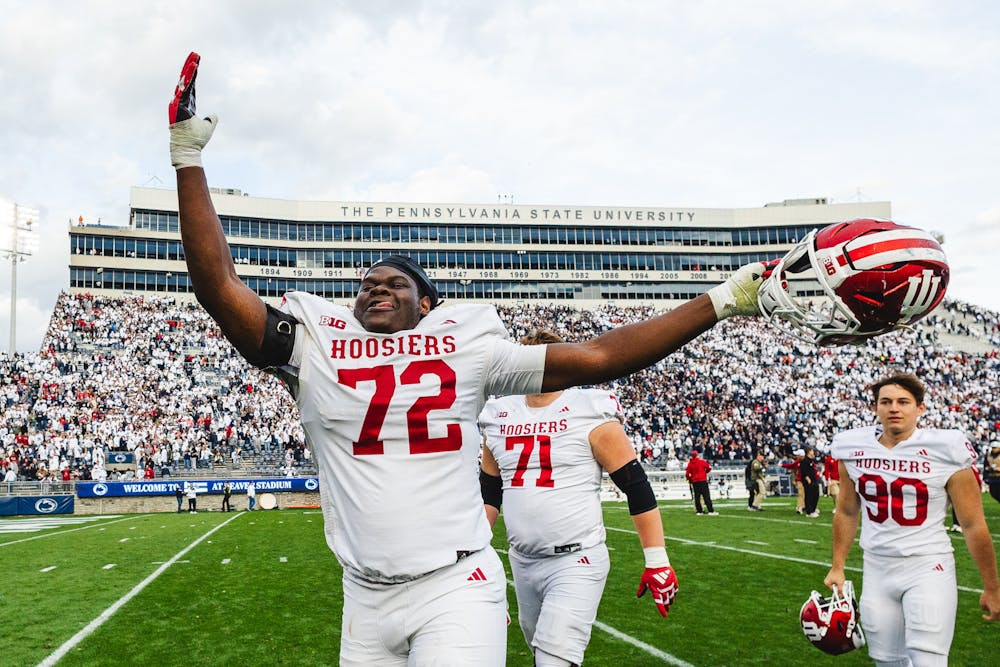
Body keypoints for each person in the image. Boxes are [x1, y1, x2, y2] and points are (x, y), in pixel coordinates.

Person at [168, 52, 770, 665]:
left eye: (395, 283)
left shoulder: (469, 347)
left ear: (427, 304)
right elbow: (220, 288)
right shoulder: (315, 346)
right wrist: (188, 159)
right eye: (367, 284)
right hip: (363, 593)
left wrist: (720, 301)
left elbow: (598, 356)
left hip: (454, 583)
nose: (376, 288)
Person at [478, 330, 675, 667]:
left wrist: (657, 560)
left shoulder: (588, 409)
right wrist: (477, 558)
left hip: (576, 559)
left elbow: (636, 486)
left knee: (554, 658)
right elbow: (490, 494)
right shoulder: (498, 414)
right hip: (522, 560)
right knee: (539, 651)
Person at [824, 373, 1000, 665]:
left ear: (920, 408)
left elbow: (972, 524)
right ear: (875, 408)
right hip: (877, 567)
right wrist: (837, 566)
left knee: (928, 659)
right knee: (886, 661)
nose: (894, 408)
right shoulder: (852, 448)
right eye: (886, 402)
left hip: (928, 566)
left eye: (903, 402)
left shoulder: (946, 449)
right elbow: (846, 510)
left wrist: (992, 586)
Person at [685, 448, 717, 515]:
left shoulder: (690, 464)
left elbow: (687, 474)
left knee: (697, 497)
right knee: (706, 496)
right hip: (703, 480)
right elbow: (709, 468)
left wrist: (690, 479)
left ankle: (699, 511)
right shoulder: (701, 462)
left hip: (695, 482)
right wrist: (705, 472)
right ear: (697, 455)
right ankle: (710, 510)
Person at [782, 448, 805, 513]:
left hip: (806, 480)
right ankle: (800, 507)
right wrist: (782, 465)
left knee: (807, 495)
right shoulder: (797, 462)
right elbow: (791, 466)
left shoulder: (806, 462)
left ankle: (804, 506)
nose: (796, 456)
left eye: (797, 455)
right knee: (801, 494)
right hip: (800, 480)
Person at [800, 447, 820, 518]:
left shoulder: (812, 460)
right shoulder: (805, 461)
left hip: (814, 479)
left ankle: (813, 509)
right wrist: (808, 479)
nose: (813, 452)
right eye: (812, 451)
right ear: (808, 452)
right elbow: (803, 471)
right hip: (808, 480)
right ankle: (809, 511)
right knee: (809, 495)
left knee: (816, 494)